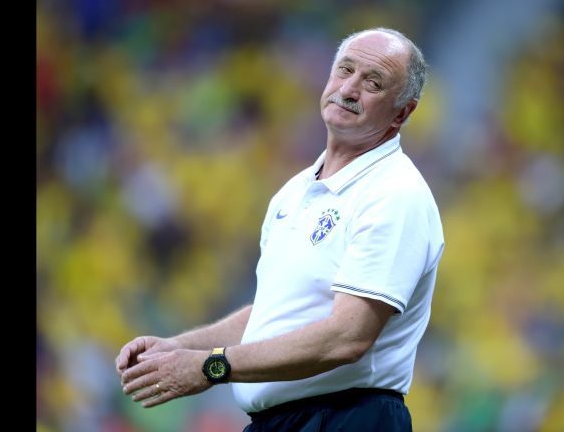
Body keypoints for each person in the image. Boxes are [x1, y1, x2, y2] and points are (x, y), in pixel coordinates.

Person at [117, 27, 445, 431]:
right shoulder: (296, 191)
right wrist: (179, 348)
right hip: (282, 420)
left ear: (402, 112)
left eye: (373, 82)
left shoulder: (394, 194)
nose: (351, 88)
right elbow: (273, 315)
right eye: (345, 70)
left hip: (347, 418)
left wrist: (211, 366)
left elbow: (348, 338)